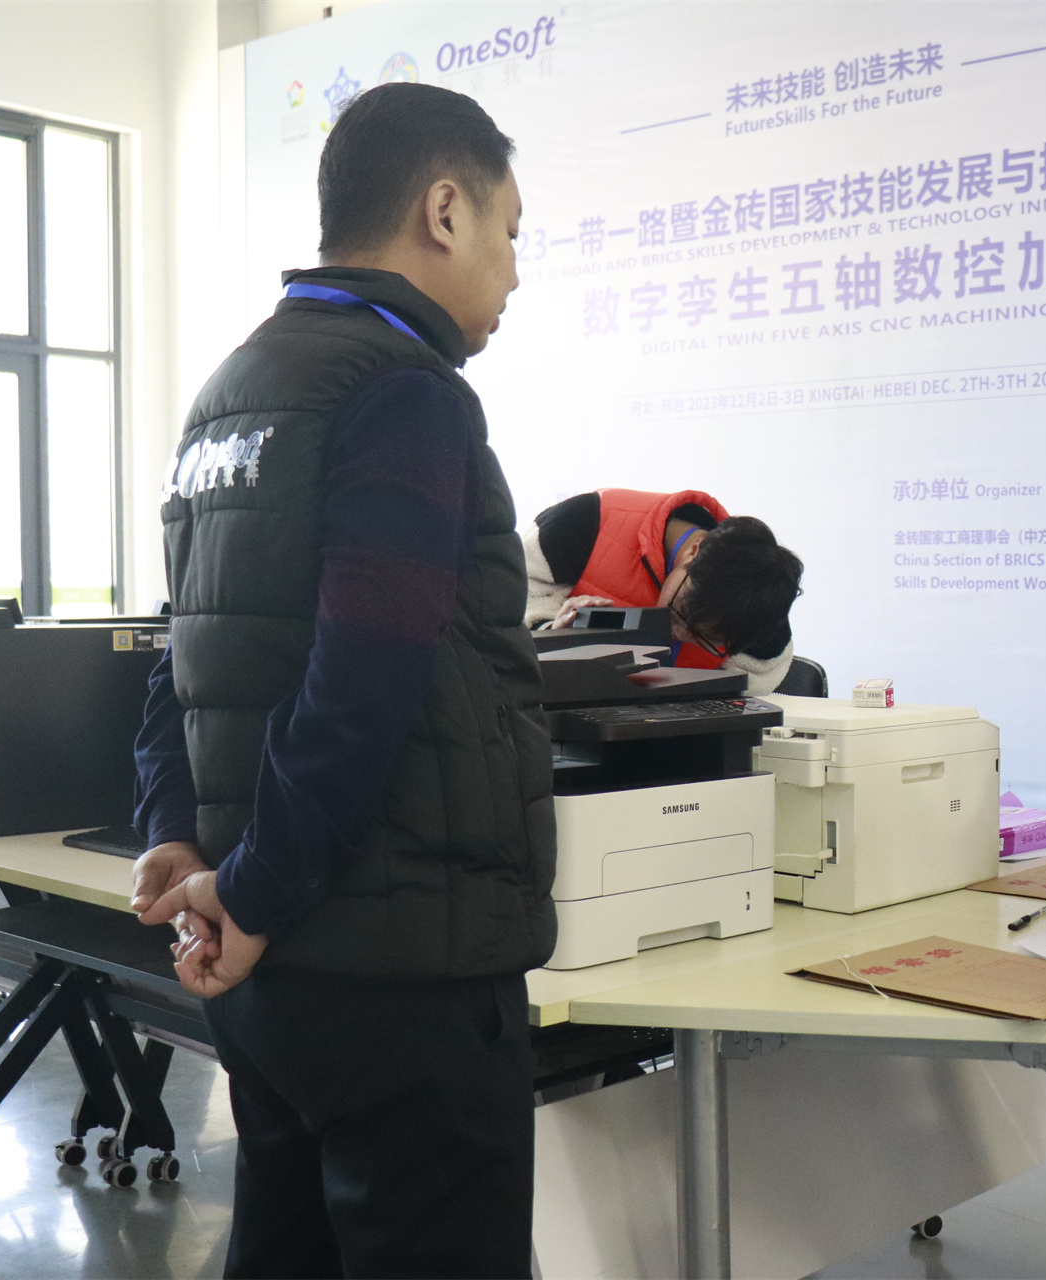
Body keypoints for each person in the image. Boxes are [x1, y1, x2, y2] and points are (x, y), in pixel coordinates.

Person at [128, 83, 550, 1279]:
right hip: (402, 963)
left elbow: (180, 653)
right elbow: (366, 677)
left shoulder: (233, 392)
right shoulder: (401, 390)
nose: (516, 271)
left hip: (271, 974)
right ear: (444, 210)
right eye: (511, 230)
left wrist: (177, 834)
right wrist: (253, 888)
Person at [524, 487, 803, 692]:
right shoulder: (585, 522)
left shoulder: (757, 600)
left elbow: (763, 671)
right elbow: (510, 606)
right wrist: (552, 635)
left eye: (705, 638)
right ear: (695, 551)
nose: (677, 633)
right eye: (679, 612)